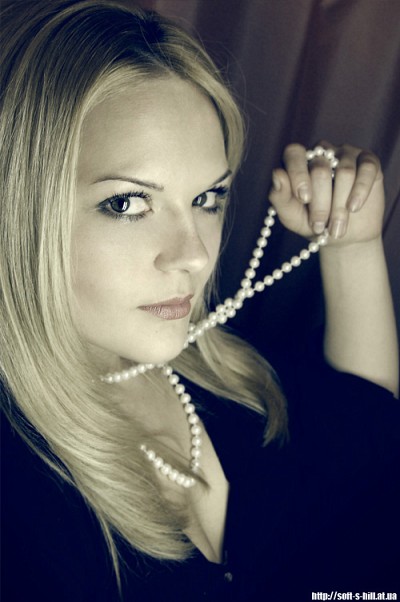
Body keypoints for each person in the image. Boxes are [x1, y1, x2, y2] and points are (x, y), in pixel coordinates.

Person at [1, 1, 399, 601]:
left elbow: (364, 431)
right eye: (127, 203)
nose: (192, 255)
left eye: (207, 199)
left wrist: (352, 245)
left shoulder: (222, 376)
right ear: (16, 207)